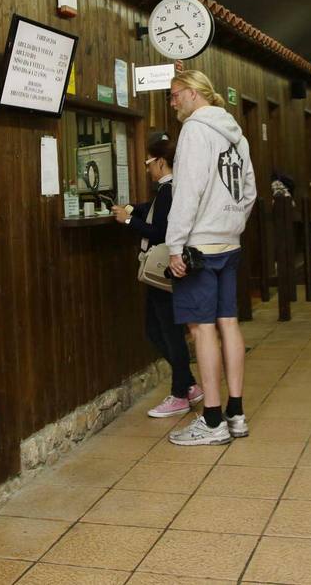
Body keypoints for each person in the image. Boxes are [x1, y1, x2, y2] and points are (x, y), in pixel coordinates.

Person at [164, 71, 257, 446]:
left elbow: (188, 190)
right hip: (229, 242)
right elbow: (248, 190)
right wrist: (231, 224)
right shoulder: (236, 133)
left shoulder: (195, 130)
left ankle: (213, 420)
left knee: (203, 329)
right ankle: (236, 413)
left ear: (191, 94)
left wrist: (175, 244)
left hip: (199, 246)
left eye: (173, 96)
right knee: (229, 324)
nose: (171, 103)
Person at [112, 137, 203, 417]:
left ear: (160, 162)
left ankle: (179, 393)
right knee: (157, 329)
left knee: (168, 331)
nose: (146, 168)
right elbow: (153, 212)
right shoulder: (169, 190)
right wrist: (134, 209)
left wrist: (128, 221)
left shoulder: (168, 191)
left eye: (148, 162)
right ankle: (188, 384)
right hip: (166, 272)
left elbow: (161, 232)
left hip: (163, 271)